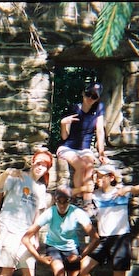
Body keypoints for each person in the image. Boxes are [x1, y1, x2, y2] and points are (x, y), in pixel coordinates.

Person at [77, 164, 139, 276]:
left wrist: (128, 189)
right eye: (97, 176)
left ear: (110, 177)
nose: (98, 179)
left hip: (120, 238)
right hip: (103, 240)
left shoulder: (121, 191)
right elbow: (76, 197)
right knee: (83, 267)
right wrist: (85, 190)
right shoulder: (95, 195)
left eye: (101, 176)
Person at [21, 185, 100, 276]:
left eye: (66, 201)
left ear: (71, 200)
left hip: (72, 249)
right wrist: (39, 257)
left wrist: (80, 256)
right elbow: (26, 238)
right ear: (55, 200)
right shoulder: (50, 213)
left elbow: (95, 238)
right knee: (59, 273)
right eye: (59, 201)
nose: (62, 205)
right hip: (54, 247)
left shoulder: (77, 212)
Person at [0, 149, 52, 276]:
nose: (40, 167)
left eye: (45, 165)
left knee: (28, 269)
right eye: (38, 163)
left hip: (26, 233)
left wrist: (35, 236)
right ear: (32, 162)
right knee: (7, 268)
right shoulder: (17, 177)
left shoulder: (41, 188)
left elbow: (37, 214)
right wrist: (6, 173)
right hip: (8, 227)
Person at [57, 82, 108, 213]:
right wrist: (63, 124)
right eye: (88, 94)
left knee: (89, 166)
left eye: (94, 96)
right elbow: (64, 137)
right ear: (83, 93)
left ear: (97, 99)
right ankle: (77, 198)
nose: (90, 98)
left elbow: (100, 131)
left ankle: (87, 202)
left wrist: (101, 152)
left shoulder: (98, 109)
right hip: (67, 148)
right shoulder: (74, 108)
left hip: (84, 149)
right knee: (80, 166)